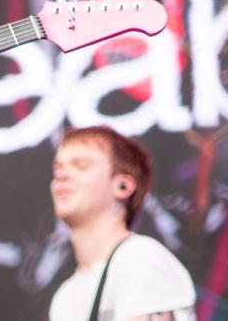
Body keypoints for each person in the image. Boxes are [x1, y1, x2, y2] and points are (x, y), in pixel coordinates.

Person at [49, 126, 197, 321]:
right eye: (58, 168)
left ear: (123, 186)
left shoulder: (139, 257)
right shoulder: (66, 296)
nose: (61, 175)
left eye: (81, 165)